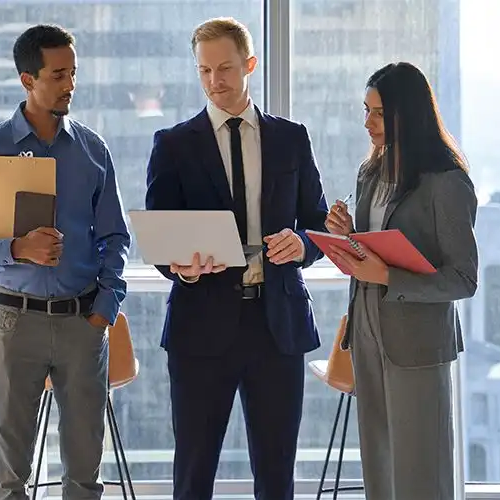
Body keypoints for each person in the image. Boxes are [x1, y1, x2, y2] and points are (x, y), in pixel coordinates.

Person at [144, 17, 329, 500]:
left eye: (224, 68)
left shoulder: (292, 138)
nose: (214, 81)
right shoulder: (174, 144)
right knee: (193, 475)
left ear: (250, 65)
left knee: (276, 477)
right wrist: (178, 268)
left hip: (277, 325)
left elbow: (316, 222)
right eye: (204, 71)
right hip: (200, 325)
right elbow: (163, 234)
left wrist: (302, 244)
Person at [0, 24, 130, 500]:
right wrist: (15, 248)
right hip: (11, 322)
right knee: (10, 476)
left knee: (85, 474)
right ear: (27, 80)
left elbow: (116, 237)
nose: (70, 84)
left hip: (81, 321)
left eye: (73, 73)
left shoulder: (94, 150)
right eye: (58, 75)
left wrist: (103, 310)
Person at [324, 62, 478, 500]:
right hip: (369, 332)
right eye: (365, 110)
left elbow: (463, 279)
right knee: (380, 465)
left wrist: (389, 275)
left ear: (405, 115)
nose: (366, 122)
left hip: (417, 341)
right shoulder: (369, 173)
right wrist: (347, 237)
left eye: (377, 113)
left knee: (420, 472)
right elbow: (374, 250)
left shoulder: (446, 183)